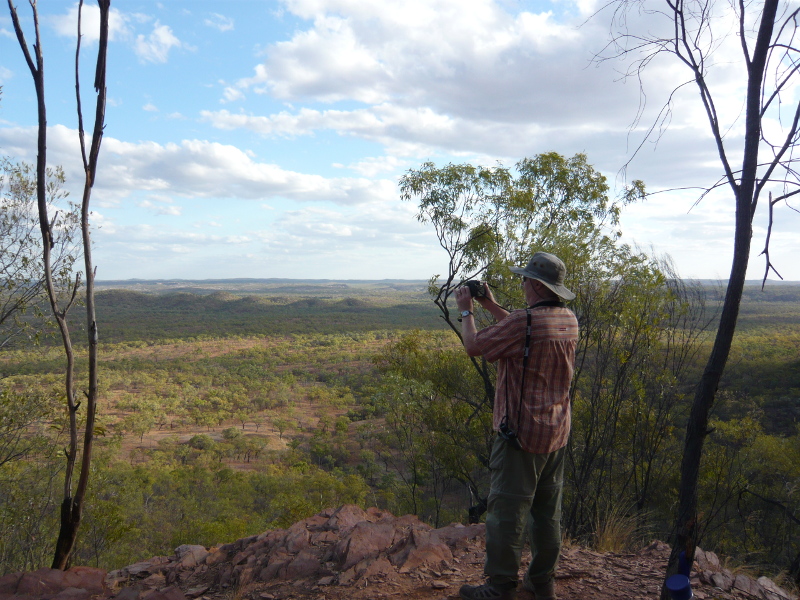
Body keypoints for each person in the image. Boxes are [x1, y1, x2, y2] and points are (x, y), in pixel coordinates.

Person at [455, 252, 579, 600]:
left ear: (536, 285)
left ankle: (500, 587)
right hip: (556, 432)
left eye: (525, 279)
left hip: (521, 436)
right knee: (547, 513)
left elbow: (473, 346)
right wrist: (493, 305)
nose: (522, 284)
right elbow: (524, 330)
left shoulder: (524, 322)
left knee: (506, 514)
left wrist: (468, 310)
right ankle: (542, 583)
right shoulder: (568, 319)